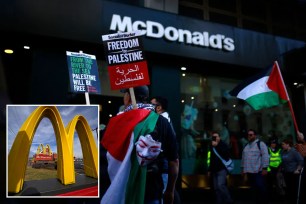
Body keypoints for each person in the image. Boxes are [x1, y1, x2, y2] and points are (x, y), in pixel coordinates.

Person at [101, 86, 179, 204]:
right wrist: (170, 191)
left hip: (120, 190)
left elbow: (106, 155)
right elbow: (174, 161)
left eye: (125, 94)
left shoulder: (115, 122)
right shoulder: (162, 122)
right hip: (152, 190)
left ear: (128, 97)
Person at [241, 129, 270, 204]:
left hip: (258, 171)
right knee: (254, 190)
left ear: (255, 135)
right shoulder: (246, 146)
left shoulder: (260, 144)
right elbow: (244, 158)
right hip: (249, 172)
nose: (249, 136)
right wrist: (243, 169)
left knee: (261, 188)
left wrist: (265, 168)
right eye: (248, 135)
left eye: (251, 134)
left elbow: (265, 156)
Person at [207, 131, 234, 204]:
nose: (215, 138)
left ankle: (229, 200)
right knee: (216, 188)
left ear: (219, 137)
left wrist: (217, 146)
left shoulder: (223, 144)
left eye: (216, 136)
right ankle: (219, 201)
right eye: (214, 137)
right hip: (214, 170)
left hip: (222, 169)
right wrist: (209, 170)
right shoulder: (211, 146)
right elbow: (210, 158)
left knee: (221, 185)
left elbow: (226, 154)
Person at [281, 138, 304, 204]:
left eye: (283, 144)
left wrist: (298, 169)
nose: (282, 145)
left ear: (288, 145)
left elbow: (301, 160)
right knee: (288, 189)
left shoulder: (293, 151)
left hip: (293, 173)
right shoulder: (283, 151)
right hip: (286, 172)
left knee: (293, 189)